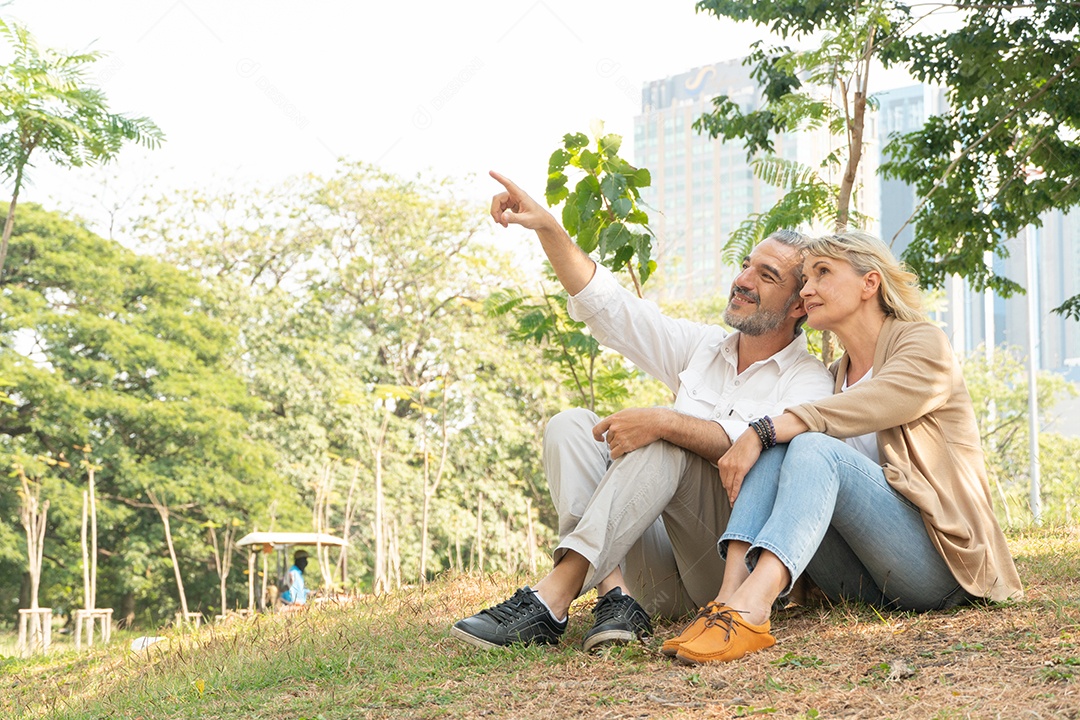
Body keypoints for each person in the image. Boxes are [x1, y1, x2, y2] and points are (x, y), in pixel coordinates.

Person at [450, 172, 834, 652]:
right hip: (652, 574)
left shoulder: (810, 380)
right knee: (571, 426)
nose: (742, 281)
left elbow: (749, 447)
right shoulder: (702, 348)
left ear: (799, 304)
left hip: (722, 571)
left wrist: (665, 422)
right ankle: (616, 600)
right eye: (744, 266)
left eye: (766, 275)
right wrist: (548, 227)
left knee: (668, 440)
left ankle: (553, 598)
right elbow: (611, 309)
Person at [666, 231, 1024, 665]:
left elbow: (876, 402)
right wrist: (769, 434)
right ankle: (727, 600)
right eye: (805, 279)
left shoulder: (922, 344)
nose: (806, 289)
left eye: (822, 273)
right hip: (862, 581)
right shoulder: (834, 375)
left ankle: (753, 607)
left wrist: (762, 430)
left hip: (937, 569)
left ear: (869, 283)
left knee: (804, 440)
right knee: (783, 443)